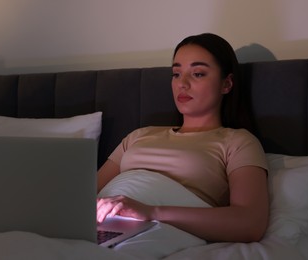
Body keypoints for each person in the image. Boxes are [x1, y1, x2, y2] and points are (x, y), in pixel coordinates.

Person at [96, 33, 269, 243]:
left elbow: (249, 223)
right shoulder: (139, 135)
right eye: (176, 74)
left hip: (156, 231)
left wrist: (150, 212)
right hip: (103, 226)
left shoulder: (238, 142)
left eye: (197, 74)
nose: (182, 84)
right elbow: (85, 194)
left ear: (226, 84)